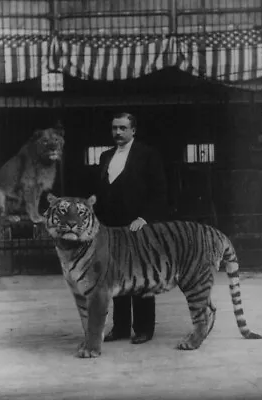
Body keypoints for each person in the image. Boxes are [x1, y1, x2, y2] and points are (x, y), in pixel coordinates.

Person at [94, 112, 168, 345]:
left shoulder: (148, 155)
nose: (118, 132)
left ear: (133, 130)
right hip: (112, 230)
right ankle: (121, 327)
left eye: (123, 128)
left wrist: (145, 218)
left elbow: (160, 192)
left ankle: (144, 328)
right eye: (115, 128)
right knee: (117, 278)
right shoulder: (105, 156)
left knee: (141, 277)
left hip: (138, 228)